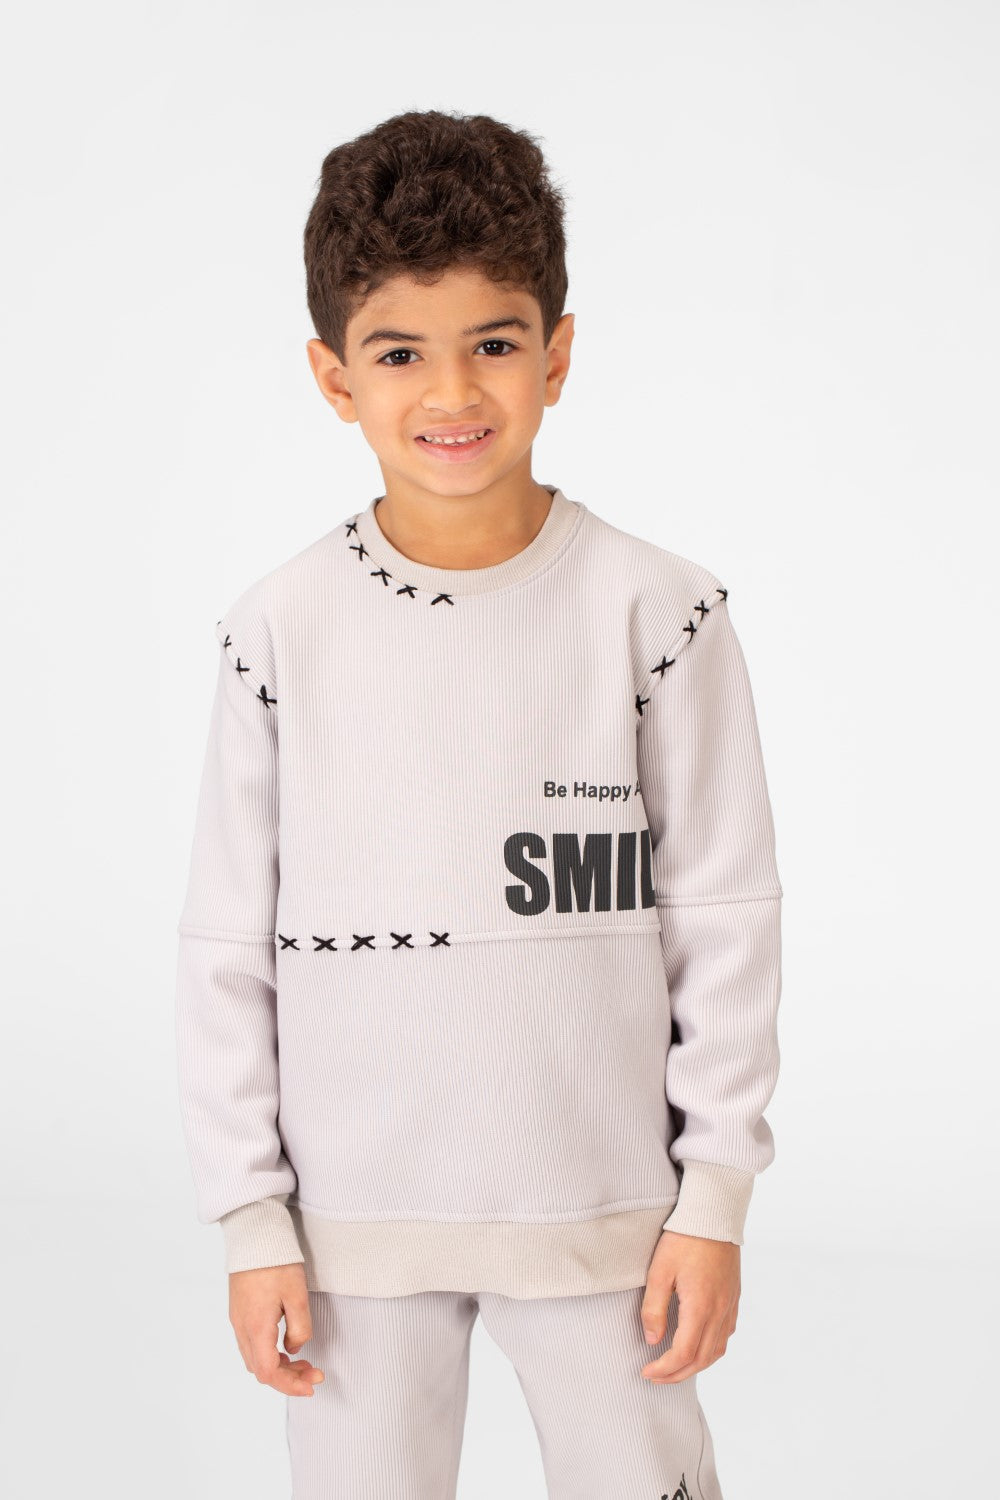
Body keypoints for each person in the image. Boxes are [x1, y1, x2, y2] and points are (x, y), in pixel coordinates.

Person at [174, 107, 783, 1500]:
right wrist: (252, 1218)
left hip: (605, 1215)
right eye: (400, 353)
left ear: (557, 355)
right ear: (335, 377)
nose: (451, 391)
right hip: (353, 1228)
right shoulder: (277, 631)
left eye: (494, 344)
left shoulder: (660, 612)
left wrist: (714, 1200)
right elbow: (225, 948)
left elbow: (728, 920)